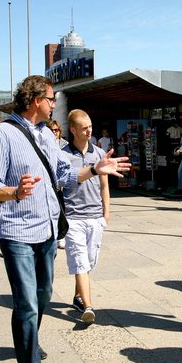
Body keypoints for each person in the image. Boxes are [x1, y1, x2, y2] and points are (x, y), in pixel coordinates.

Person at [0, 75, 129, 363]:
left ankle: (29, 339)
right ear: (35, 101)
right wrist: (14, 192)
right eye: (50, 99)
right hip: (16, 232)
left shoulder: (46, 134)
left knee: (44, 293)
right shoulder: (3, 134)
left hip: (47, 231)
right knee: (26, 302)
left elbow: (63, 174)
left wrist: (95, 168)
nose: (53, 104)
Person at [61, 109, 109, 324]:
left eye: (90, 126)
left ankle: (78, 296)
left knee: (88, 262)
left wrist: (106, 213)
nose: (89, 130)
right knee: (80, 262)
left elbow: (104, 185)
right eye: (84, 127)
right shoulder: (63, 155)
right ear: (73, 130)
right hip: (74, 216)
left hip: (95, 215)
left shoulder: (98, 154)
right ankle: (88, 307)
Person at [47, 120, 68, 248]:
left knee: (62, 209)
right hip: (49, 182)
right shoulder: (45, 144)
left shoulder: (65, 145)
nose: (54, 132)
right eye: (51, 130)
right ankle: (53, 233)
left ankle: (62, 235)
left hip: (62, 184)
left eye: (56, 130)